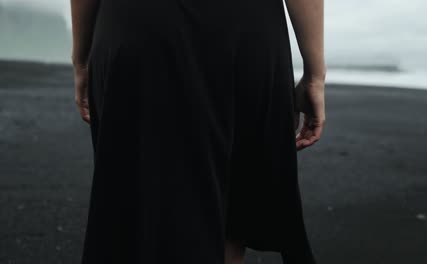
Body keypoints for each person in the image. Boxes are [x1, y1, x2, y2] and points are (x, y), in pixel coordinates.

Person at [71, 0, 325, 263]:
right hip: (245, 31)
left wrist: (81, 59)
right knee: (229, 215)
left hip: (136, 28)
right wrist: (314, 76)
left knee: (136, 208)